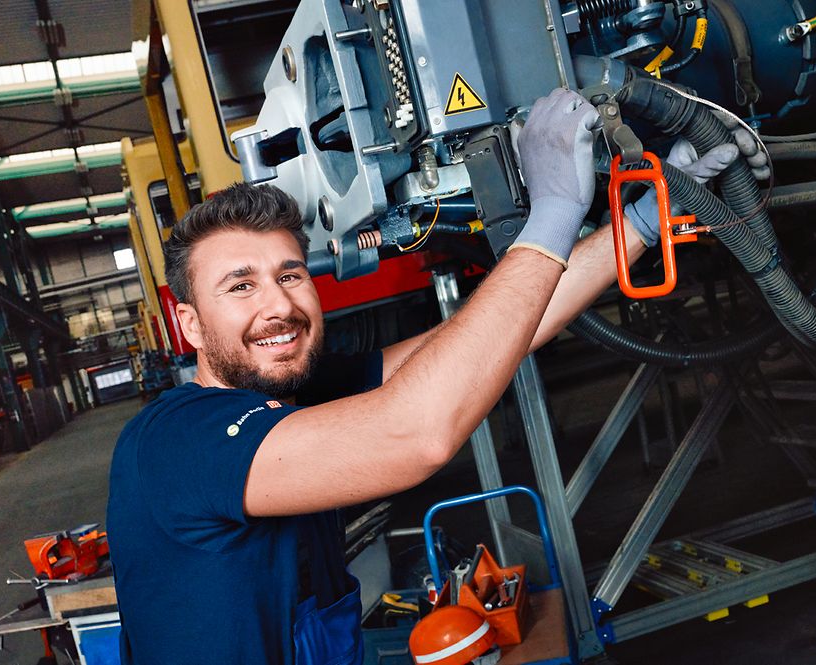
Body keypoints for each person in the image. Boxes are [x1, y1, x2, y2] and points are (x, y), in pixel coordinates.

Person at [106, 88, 741, 664]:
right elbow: (416, 436)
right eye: (240, 286)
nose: (279, 305)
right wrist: (550, 216)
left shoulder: (293, 398)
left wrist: (642, 221)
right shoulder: (174, 441)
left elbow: (483, 341)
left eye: (290, 275)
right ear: (188, 324)